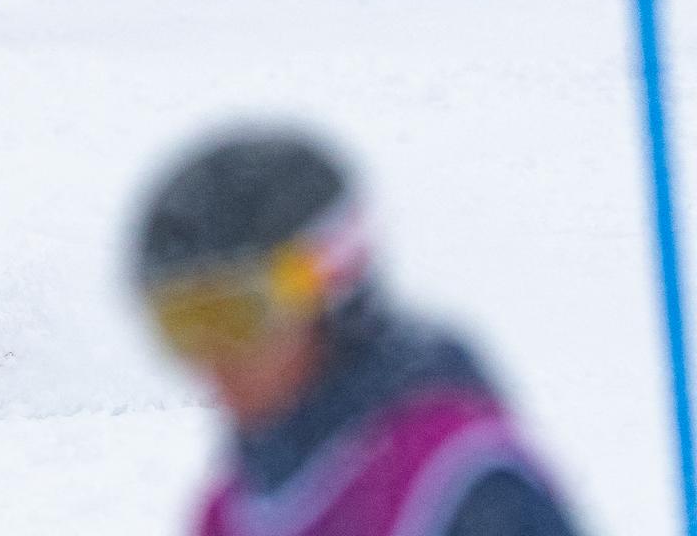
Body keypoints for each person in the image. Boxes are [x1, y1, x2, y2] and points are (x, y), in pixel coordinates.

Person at [134, 128, 581, 536]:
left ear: (332, 281)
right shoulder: (235, 510)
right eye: (181, 326)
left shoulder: (451, 479)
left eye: (237, 318)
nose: (214, 358)